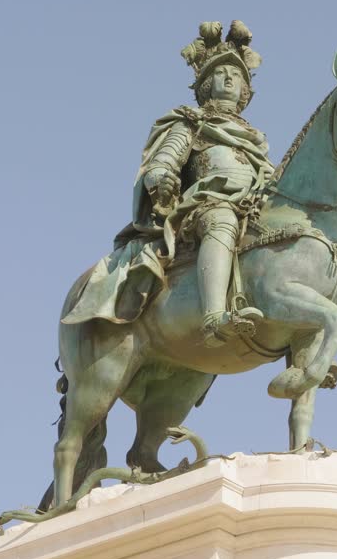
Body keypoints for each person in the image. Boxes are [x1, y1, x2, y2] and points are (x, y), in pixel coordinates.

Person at [62, 21, 273, 347]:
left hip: (252, 205)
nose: (230, 79)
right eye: (220, 73)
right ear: (206, 84)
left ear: (246, 88)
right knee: (222, 220)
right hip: (206, 205)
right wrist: (161, 177)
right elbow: (162, 162)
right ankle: (214, 317)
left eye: (237, 75)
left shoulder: (257, 140)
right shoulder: (190, 122)